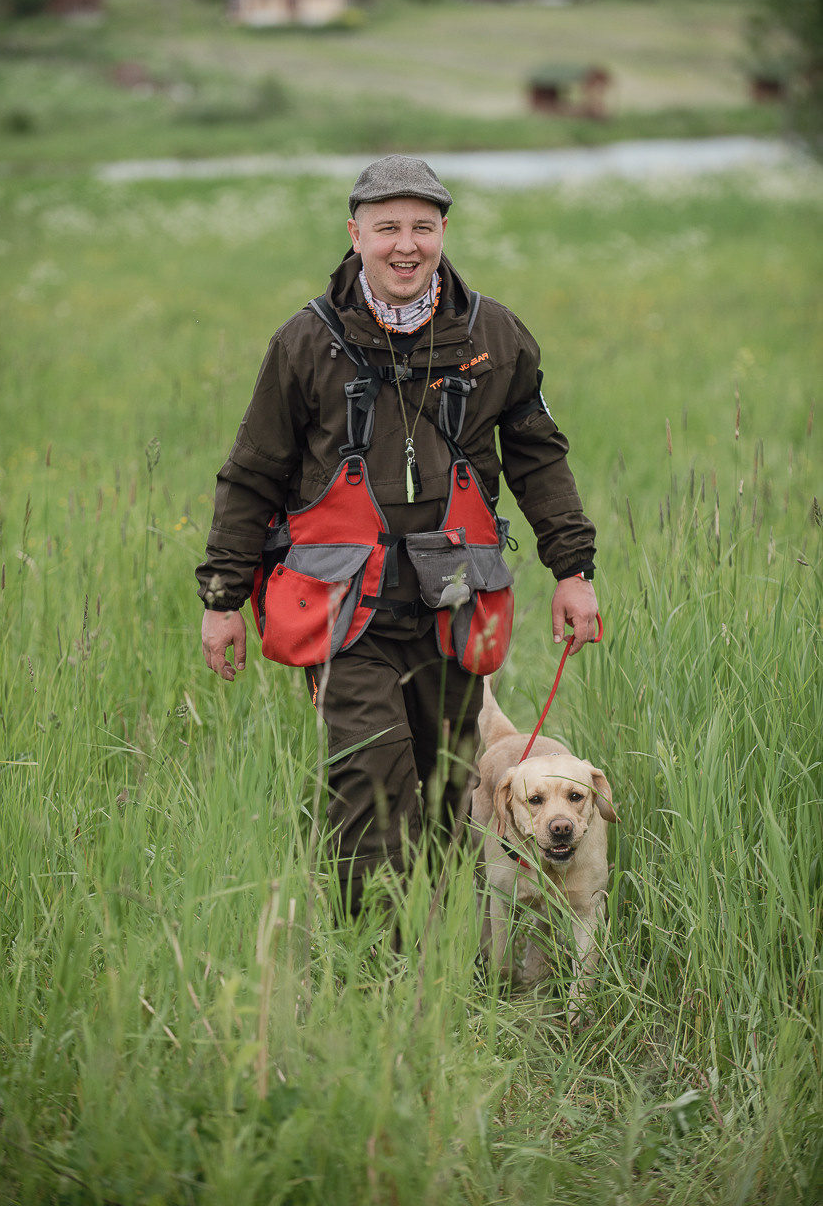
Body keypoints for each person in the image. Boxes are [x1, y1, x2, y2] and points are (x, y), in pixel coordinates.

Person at [197, 154, 598, 910]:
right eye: (387, 228)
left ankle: (446, 948)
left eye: (422, 227)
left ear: (443, 231)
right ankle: (379, 958)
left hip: (455, 602)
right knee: (372, 783)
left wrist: (573, 571)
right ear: (356, 235)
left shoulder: (495, 335)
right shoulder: (305, 343)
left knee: (449, 791)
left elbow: (538, 457)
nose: (405, 245)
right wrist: (222, 599)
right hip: (346, 611)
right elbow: (251, 475)